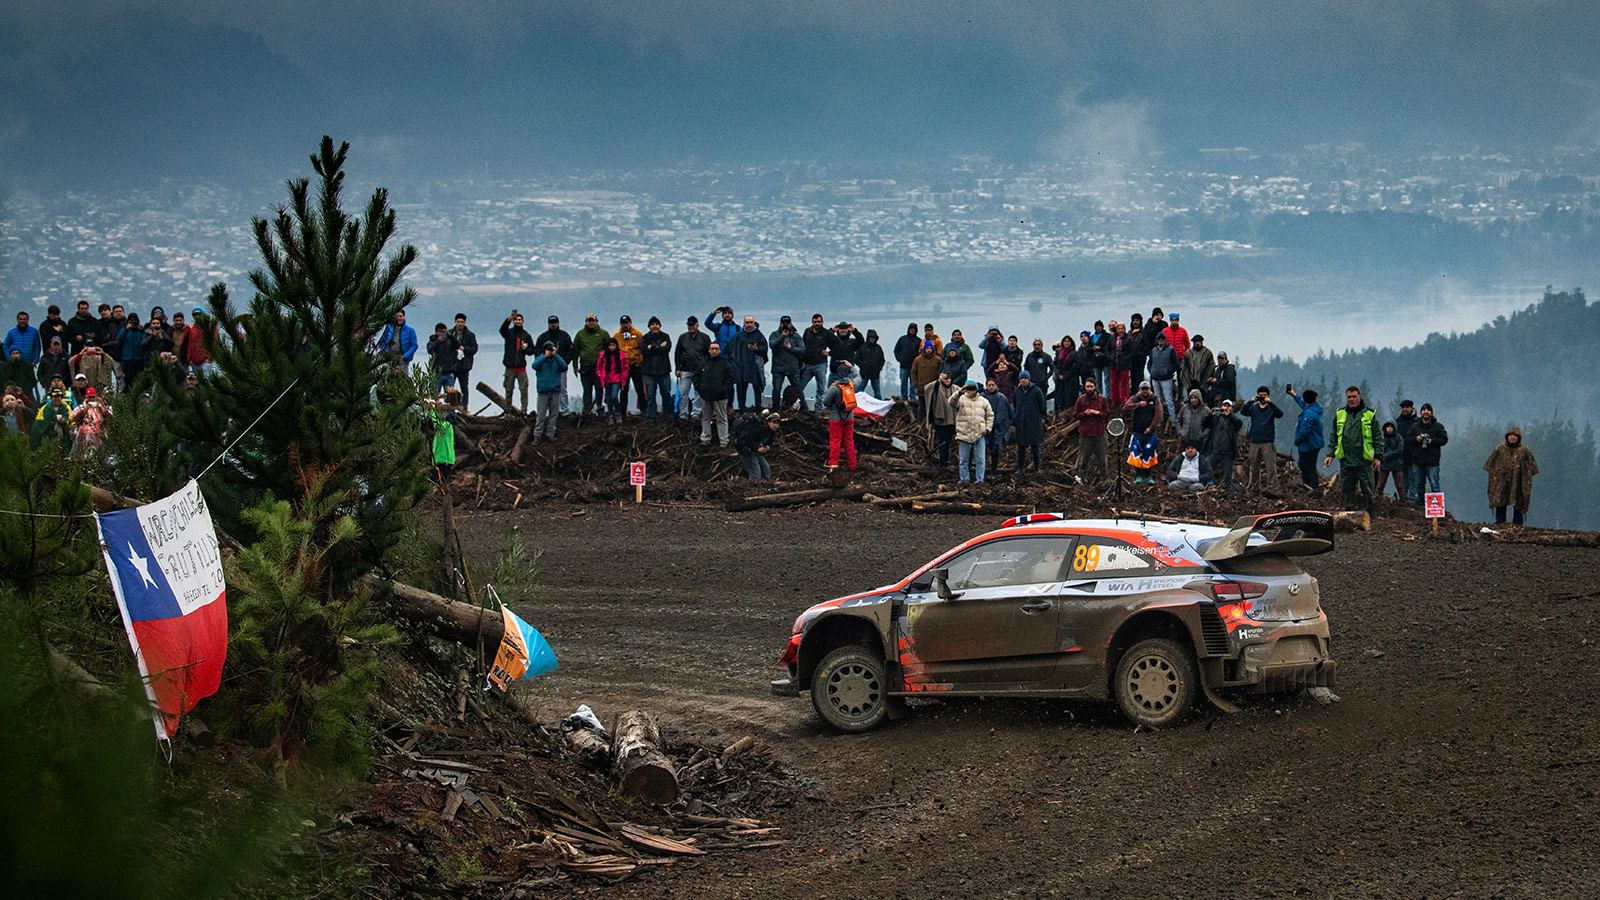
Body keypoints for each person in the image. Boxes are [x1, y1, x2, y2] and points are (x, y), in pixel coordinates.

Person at [1322, 385, 1381, 514]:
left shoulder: (1369, 414)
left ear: (1359, 397)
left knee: (1367, 488)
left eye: (1354, 397)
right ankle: (1349, 513)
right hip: (1346, 459)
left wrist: (1378, 457)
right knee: (1347, 488)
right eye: (1349, 397)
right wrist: (1330, 454)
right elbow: (1334, 436)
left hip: (1364, 460)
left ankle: (1369, 514)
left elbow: (1378, 437)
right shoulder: (1340, 414)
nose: (1351, 399)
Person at [1485, 427, 1538, 525]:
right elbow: (1490, 466)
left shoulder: (1524, 451)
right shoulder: (1500, 449)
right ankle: (1500, 521)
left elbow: (1532, 468)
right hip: (1502, 481)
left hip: (1519, 481)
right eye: (1511, 436)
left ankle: (1518, 523)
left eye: (1515, 436)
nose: (1513, 438)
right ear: (1507, 437)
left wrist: (1524, 477)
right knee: (1500, 500)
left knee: (1519, 501)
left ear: (1519, 438)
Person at [1242, 386, 1284, 492]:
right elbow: (1243, 411)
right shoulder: (1254, 408)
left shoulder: (1271, 408)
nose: (1262, 398)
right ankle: (1254, 487)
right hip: (1255, 441)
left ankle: (1273, 488)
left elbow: (1280, 414)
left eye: (1264, 396)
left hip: (1267, 441)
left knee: (1270, 466)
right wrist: (1251, 401)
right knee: (1254, 467)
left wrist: (1270, 403)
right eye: (1260, 396)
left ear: (1268, 396)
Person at [953, 380, 994, 484]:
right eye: (969, 388)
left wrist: (987, 428)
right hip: (964, 433)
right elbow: (951, 403)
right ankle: (964, 479)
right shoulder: (960, 399)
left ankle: (980, 480)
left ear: (977, 389)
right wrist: (959, 392)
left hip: (979, 434)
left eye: (973, 388)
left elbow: (990, 416)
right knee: (963, 460)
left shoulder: (984, 401)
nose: (971, 390)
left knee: (980, 460)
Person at [695, 342, 736, 445]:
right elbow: (696, 376)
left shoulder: (725, 363)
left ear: (719, 350)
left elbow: (730, 379)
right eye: (712, 349)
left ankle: (724, 441)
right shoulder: (703, 362)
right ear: (708, 350)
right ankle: (705, 439)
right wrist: (700, 388)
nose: (714, 351)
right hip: (705, 396)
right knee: (705, 418)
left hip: (720, 397)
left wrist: (724, 390)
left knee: (722, 418)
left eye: (716, 349)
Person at [534, 315, 575, 414]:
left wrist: (565, 363)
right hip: (546, 368)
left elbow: (570, 351)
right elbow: (537, 352)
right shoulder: (542, 337)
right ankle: (549, 412)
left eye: (555, 323)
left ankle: (565, 410)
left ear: (558, 323)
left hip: (560, 367)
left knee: (562, 390)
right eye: (551, 323)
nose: (553, 325)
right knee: (547, 391)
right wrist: (542, 363)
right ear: (548, 324)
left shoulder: (565, 336)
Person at [1123, 381, 1164, 483]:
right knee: (1137, 454)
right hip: (1137, 431)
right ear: (1139, 389)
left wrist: (1151, 427)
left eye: (1147, 389)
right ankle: (1139, 475)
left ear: (1150, 389)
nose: (1145, 391)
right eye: (1143, 389)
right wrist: (1138, 405)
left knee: (1149, 454)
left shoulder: (1155, 399)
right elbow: (1125, 407)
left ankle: (1148, 475)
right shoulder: (1135, 398)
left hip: (1150, 432)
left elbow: (1158, 415)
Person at [821, 366, 859, 471]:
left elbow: (825, 402)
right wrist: (852, 367)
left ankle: (833, 465)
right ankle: (852, 465)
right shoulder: (852, 384)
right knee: (849, 441)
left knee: (835, 441)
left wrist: (825, 394)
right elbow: (858, 377)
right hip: (849, 417)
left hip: (835, 419)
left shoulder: (834, 388)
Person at [1288, 387, 1325, 492]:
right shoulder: (1312, 408)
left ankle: (1311, 488)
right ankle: (1309, 487)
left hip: (1309, 445)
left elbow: (1304, 431)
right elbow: (1302, 403)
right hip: (1312, 444)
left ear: (1306, 400)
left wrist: (1297, 441)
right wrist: (1294, 395)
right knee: (1304, 465)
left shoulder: (1309, 414)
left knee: (1308, 467)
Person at [1073, 378, 1110, 484]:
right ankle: (1082, 478)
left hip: (1100, 434)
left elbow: (1107, 415)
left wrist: (1097, 413)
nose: (1089, 389)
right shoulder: (1081, 400)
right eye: (1087, 386)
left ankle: (1105, 479)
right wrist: (1084, 413)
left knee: (1102, 459)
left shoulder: (1102, 400)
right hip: (1085, 434)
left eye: (1091, 386)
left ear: (1095, 387)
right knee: (1083, 459)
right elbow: (1075, 415)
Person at [674, 316, 711, 418]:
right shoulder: (682, 338)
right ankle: (683, 414)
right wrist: (677, 368)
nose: (690, 327)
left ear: (697, 325)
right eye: (689, 325)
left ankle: (696, 412)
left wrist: (706, 367)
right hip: (685, 369)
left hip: (699, 370)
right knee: (683, 392)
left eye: (692, 325)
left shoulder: (705, 338)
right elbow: (677, 353)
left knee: (698, 393)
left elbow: (709, 354)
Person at [729, 315, 769, 410]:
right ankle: (741, 410)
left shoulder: (759, 336)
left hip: (755, 367)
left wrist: (757, 349)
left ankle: (758, 410)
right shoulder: (738, 336)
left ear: (754, 323)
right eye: (747, 322)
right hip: (741, 367)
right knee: (741, 391)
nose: (749, 324)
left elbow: (765, 349)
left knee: (757, 389)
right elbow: (731, 350)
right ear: (744, 324)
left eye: (751, 322)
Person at [1411, 403, 1448, 503]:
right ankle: (1421, 507)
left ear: (1431, 413)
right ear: (1420, 412)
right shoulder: (1415, 427)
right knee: (1419, 486)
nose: (1426, 412)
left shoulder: (1438, 427)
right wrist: (1416, 439)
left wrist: (1432, 441)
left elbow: (1444, 440)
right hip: (1418, 461)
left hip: (1432, 462)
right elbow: (1407, 439)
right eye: (1424, 410)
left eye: (1428, 410)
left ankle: (1436, 509)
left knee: (1434, 486)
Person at [639, 317, 674, 422]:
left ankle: (668, 415)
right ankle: (651, 417)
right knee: (650, 395)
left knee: (666, 394)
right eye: (652, 324)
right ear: (649, 326)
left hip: (664, 371)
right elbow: (644, 351)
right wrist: (659, 347)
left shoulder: (665, 336)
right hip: (649, 372)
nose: (654, 326)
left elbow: (667, 349)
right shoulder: (645, 338)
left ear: (660, 325)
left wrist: (652, 347)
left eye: (656, 324)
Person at [572, 313, 609, 415]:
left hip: (599, 367)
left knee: (599, 388)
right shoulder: (580, 334)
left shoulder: (603, 334)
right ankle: (587, 409)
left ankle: (599, 407)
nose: (591, 323)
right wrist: (575, 366)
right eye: (589, 321)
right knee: (587, 389)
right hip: (585, 367)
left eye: (593, 321)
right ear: (586, 322)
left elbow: (609, 350)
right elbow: (575, 351)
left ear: (597, 321)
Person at [499, 311, 535, 413]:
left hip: (521, 368)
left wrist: (525, 349)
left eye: (520, 320)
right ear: (514, 321)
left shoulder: (526, 335)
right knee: (509, 390)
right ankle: (507, 410)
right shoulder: (509, 333)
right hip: (509, 367)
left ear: (523, 322)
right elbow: (501, 330)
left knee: (524, 390)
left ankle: (524, 411)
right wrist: (509, 319)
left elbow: (532, 351)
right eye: (516, 320)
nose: (518, 321)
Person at [922, 370, 959, 469]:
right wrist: (939, 380)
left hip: (952, 422)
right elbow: (927, 388)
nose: (947, 380)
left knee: (952, 443)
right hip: (941, 422)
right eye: (945, 378)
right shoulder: (936, 387)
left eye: (949, 378)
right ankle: (943, 463)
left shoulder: (955, 389)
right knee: (943, 444)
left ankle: (952, 462)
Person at [1202, 400, 1242, 490]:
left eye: (1228, 406)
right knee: (1206, 467)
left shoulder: (1232, 420)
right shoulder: (1216, 418)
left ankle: (1227, 489)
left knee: (1228, 473)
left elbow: (1239, 424)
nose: (1226, 408)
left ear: (1231, 408)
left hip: (1227, 453)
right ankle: (1206, 485)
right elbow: (1205, 423)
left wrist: (1230, 415)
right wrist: (1210, 415)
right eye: (1224, 406)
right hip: (1214, 451)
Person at [1012, 371, 1047, 476]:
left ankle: (1037, 468)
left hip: (1034, 422)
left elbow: (1042, 406)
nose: (1023, 380)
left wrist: (1039, 416)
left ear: (1029, 379)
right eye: (1021, 379)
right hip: (1021, 422)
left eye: (1025, 378)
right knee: (1021, 447)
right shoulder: (1017, 391)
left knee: (1035, 447)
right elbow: (1015, 404)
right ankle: (1020, 469)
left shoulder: (1036, 390)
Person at [530, 342, 566, 441]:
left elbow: (563, 367)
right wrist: (545, 357)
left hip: (555, 391)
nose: (550, 351)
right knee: (540, 415)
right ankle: (537, 435)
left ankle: (550, 434)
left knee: (554, 414)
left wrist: (555, 355)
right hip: (543, 391)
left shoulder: (557, 360)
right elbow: (534, 366)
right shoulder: (540, 359)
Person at [769, 315, 805, 410]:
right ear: (780, 324)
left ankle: (804, 408)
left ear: (790, 324)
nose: (785, 326)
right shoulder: (774, 334)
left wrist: (791, 349)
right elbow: (772, 345)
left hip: (793, 367)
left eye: (787, 323)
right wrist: (781, 338)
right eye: (783, 323)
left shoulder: (796, 336)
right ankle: (775, 408)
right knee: (776, 389)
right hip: (778, 367)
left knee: (798, 388)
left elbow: (802, 349)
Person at [732, 412, 781, 480]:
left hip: (755, 451)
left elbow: (769, 442)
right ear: (769, 422)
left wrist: (767, 447)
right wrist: (757, 448)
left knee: (766, 470)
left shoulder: (771, 431)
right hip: (746, 450)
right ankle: (753, 488)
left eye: (778, 423)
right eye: (774, 423)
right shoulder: (760, 429)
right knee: (755, 473)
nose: (776, 425)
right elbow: (747, 439)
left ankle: (764, 487)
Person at [800, 313, 834, 409]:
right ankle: (803, 407)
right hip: (808, 364)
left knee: (821, 389)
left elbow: (836, 344)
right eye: (815, 322)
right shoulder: (807, 332)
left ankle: (818, 410)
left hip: (821, 364)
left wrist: (830, 353)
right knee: (800, 386)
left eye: (819, 322)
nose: (817, 323)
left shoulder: (826, 333)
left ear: (822, 322)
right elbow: (803, 345)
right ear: (812, 322)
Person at [614, 315, 645, 414]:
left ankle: (644, 409)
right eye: (623, 323)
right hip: (623, 368)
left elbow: (643, 349)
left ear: (630, 323)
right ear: (620, 324)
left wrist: (639, 361)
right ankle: (622, 412)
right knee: (623, 390)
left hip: (635, 365)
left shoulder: (638, 334)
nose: (625, 325)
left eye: (627, 323)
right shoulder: (616, 336)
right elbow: (614, 351)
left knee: (639, 389)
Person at [1393, 400, 1422, 505]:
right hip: (1401, 455)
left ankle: (1412, 498)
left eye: (1407, 407)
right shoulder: (1397, 422)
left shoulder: (1417, 422)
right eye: (1403, 407)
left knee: (1413, 477)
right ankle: (1404, 498)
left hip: (1414, 454)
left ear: (1411, 408)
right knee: (1402, 478)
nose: (1404, 409)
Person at [596, 337, 630, 424]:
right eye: (610, 345)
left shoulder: (621, 355)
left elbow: (626, 368)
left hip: (617, 379)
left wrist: (624, 376)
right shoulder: (603, 355)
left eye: (613, 345)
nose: (611, 347)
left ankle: (618, 413)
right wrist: (600, 375)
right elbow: (598, 367)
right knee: (609, 398)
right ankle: (611, 415)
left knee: (614, 396)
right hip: (607, 379)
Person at [982, 378, 1013, 475]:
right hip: (984, 429)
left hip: (997, 429)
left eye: (992, 385)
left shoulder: (1001, 398)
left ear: (996, 386)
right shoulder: (982, 398)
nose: (991, 387)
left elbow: (1007, 414)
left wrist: (1002, 428)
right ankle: (981, 472)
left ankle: (993, 472)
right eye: (989, 385)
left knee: (995, 451)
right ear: (986, 386)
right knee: (982, 451)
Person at [1146, 331, 1179, 419]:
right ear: (1157, 340)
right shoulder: (1154, 350)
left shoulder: (1171, 349)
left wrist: (1168, 371)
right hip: (1155, 379)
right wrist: (1151, 371)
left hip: (1166, 379)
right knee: (1158, 400)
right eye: (1159, 339)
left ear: (1165, 340)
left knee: (1169, 400)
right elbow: (1149, 363)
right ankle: (1160, 418)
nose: (1160, 340)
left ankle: (1172, 419)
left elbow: (1176, 364)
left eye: (1162, 338)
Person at [909, 341, 942, 418]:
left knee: (933, 408)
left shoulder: (938, 360)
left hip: (933, 388)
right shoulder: (918, 360)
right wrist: (916, 383)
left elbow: (941, 372)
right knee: (922, 407)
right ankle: (920, 423)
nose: (929, 350)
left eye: (930, 348)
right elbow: (913, 372)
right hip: (921, 388)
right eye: (927, 348)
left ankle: (932, 424)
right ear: (924, 349)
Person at [1179, 334, 1215, 404]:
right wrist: (1186, 378)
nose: (1197, 343)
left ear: (1202, 342)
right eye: (1195, 341)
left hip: (1203, 381)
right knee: (1191, 400)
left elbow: (1211, 366)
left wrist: (1209, 377)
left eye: (1199, 341)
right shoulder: (1189, 353)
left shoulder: (1207, 353)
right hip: (1191, 381)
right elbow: (1183, 366)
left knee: (1202, 401)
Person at [1377, 421, 1406, 500]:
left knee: (1400, 485)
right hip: (1385, 464)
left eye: (1391, 427)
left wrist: (1387, 455)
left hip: (1396, 464)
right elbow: (1379, 448)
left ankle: (1403, 501)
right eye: (1388, 427)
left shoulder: (1398, 437)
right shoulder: (1382, 437)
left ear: (1394, 428)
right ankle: (1378, 501)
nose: (1389, 429)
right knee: (1380, 484)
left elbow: (1400, 450)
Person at [1052, 335, 1080, 414]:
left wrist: (1066, 375)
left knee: (1070, 399)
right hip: (1060, 379)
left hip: (1071, 379)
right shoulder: (1059, 353)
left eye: (1068, 341)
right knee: (1060, 397)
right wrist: (1058, 374)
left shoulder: (1074, 353)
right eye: (1065, 341)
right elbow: (1055, 364)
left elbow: (1075, 366)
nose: (1066, 343)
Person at [450, 314, 478, 394]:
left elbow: (474, 349)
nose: (460, 324)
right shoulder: (450, 333)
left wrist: (464, 349)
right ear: (455, 322)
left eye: (462, 322)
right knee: (449, 388)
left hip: (464, 365)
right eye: (458, 322)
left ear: (465, 323)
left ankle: (465, 405)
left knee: (464, 387)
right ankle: (449, 404)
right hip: (451, 365)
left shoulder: (470, 335)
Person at [893, 323, 922, 401]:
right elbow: (896, 350)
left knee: (913, 385)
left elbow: (921, 353)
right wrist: (900, 359)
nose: (912, 330)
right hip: (904, 366)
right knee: (903, 384)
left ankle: (913, 399)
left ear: (916, 330)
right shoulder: (902, 339)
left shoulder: (918, 341)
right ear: (908, 329)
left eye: (914, 329)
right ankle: (904, 398)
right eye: (911, 328)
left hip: (914, 367)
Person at [427, 322, 458, 392]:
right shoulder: (432, 340)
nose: (441, 333)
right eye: (439, 331)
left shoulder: (450, 341)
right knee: (435, 394)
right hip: (437, 373)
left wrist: (450, 336)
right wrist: (438, 341)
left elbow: (457, 345)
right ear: (436, 332)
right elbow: (430, 350)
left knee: (451, 396)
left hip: (449, 372)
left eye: (443, 331)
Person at [1107, 322, 1133, 405]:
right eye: (1119, 329)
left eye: (1122, 329)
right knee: (1114, 383)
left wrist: (1126, 358)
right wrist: (1110, 357)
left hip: (1124, 365)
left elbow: (1131, 351)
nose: (1120, 330)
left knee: (1124, 384)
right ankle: (1115, 400)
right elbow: (1107, 349)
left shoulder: (1128, 339)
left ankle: (1124, 399)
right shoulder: (1112, 338)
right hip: (1114, 364)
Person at [857, 330, 886, 397]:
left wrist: (879, 368)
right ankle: (857, 404)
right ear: (868, 338)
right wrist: (862, 365)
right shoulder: (862, 347)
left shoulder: (878, 348)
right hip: (864, 373)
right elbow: (856, 359)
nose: (872, 339)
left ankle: (879, 404)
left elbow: (882, 359)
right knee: (859, 390)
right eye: (871, 337)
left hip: (875, 373)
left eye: (873, 337)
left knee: (877, 391)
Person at [1087, 320, 1111, 396]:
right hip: (1095, 362)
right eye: (1097, 326)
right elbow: (1088, 349)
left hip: (1105, 361)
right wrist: (1093, 348)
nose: (1098, 328)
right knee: (1097, 380)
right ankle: (1098, 396)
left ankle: (1108, 396)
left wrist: (1100, 348)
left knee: (1107, 379)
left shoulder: (1107, 336)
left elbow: (1109, 347)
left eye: (1100, 326)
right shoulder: (1092, 337)